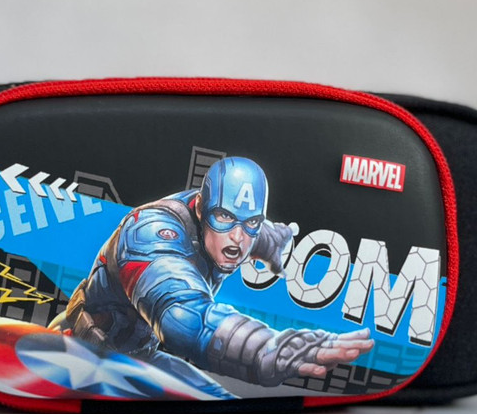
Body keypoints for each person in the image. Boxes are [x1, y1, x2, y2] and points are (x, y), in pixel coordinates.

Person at [50, 157, 373, 390]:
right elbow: (183, 318)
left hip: (137, 357)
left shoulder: (236, 229)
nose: (237, 238)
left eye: (251, 223)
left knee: (216, 399)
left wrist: (269, 240)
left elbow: (247, 229)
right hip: (76, 354)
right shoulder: (150, 232)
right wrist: (262, 348)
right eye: (224, 218)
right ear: (201, 208)